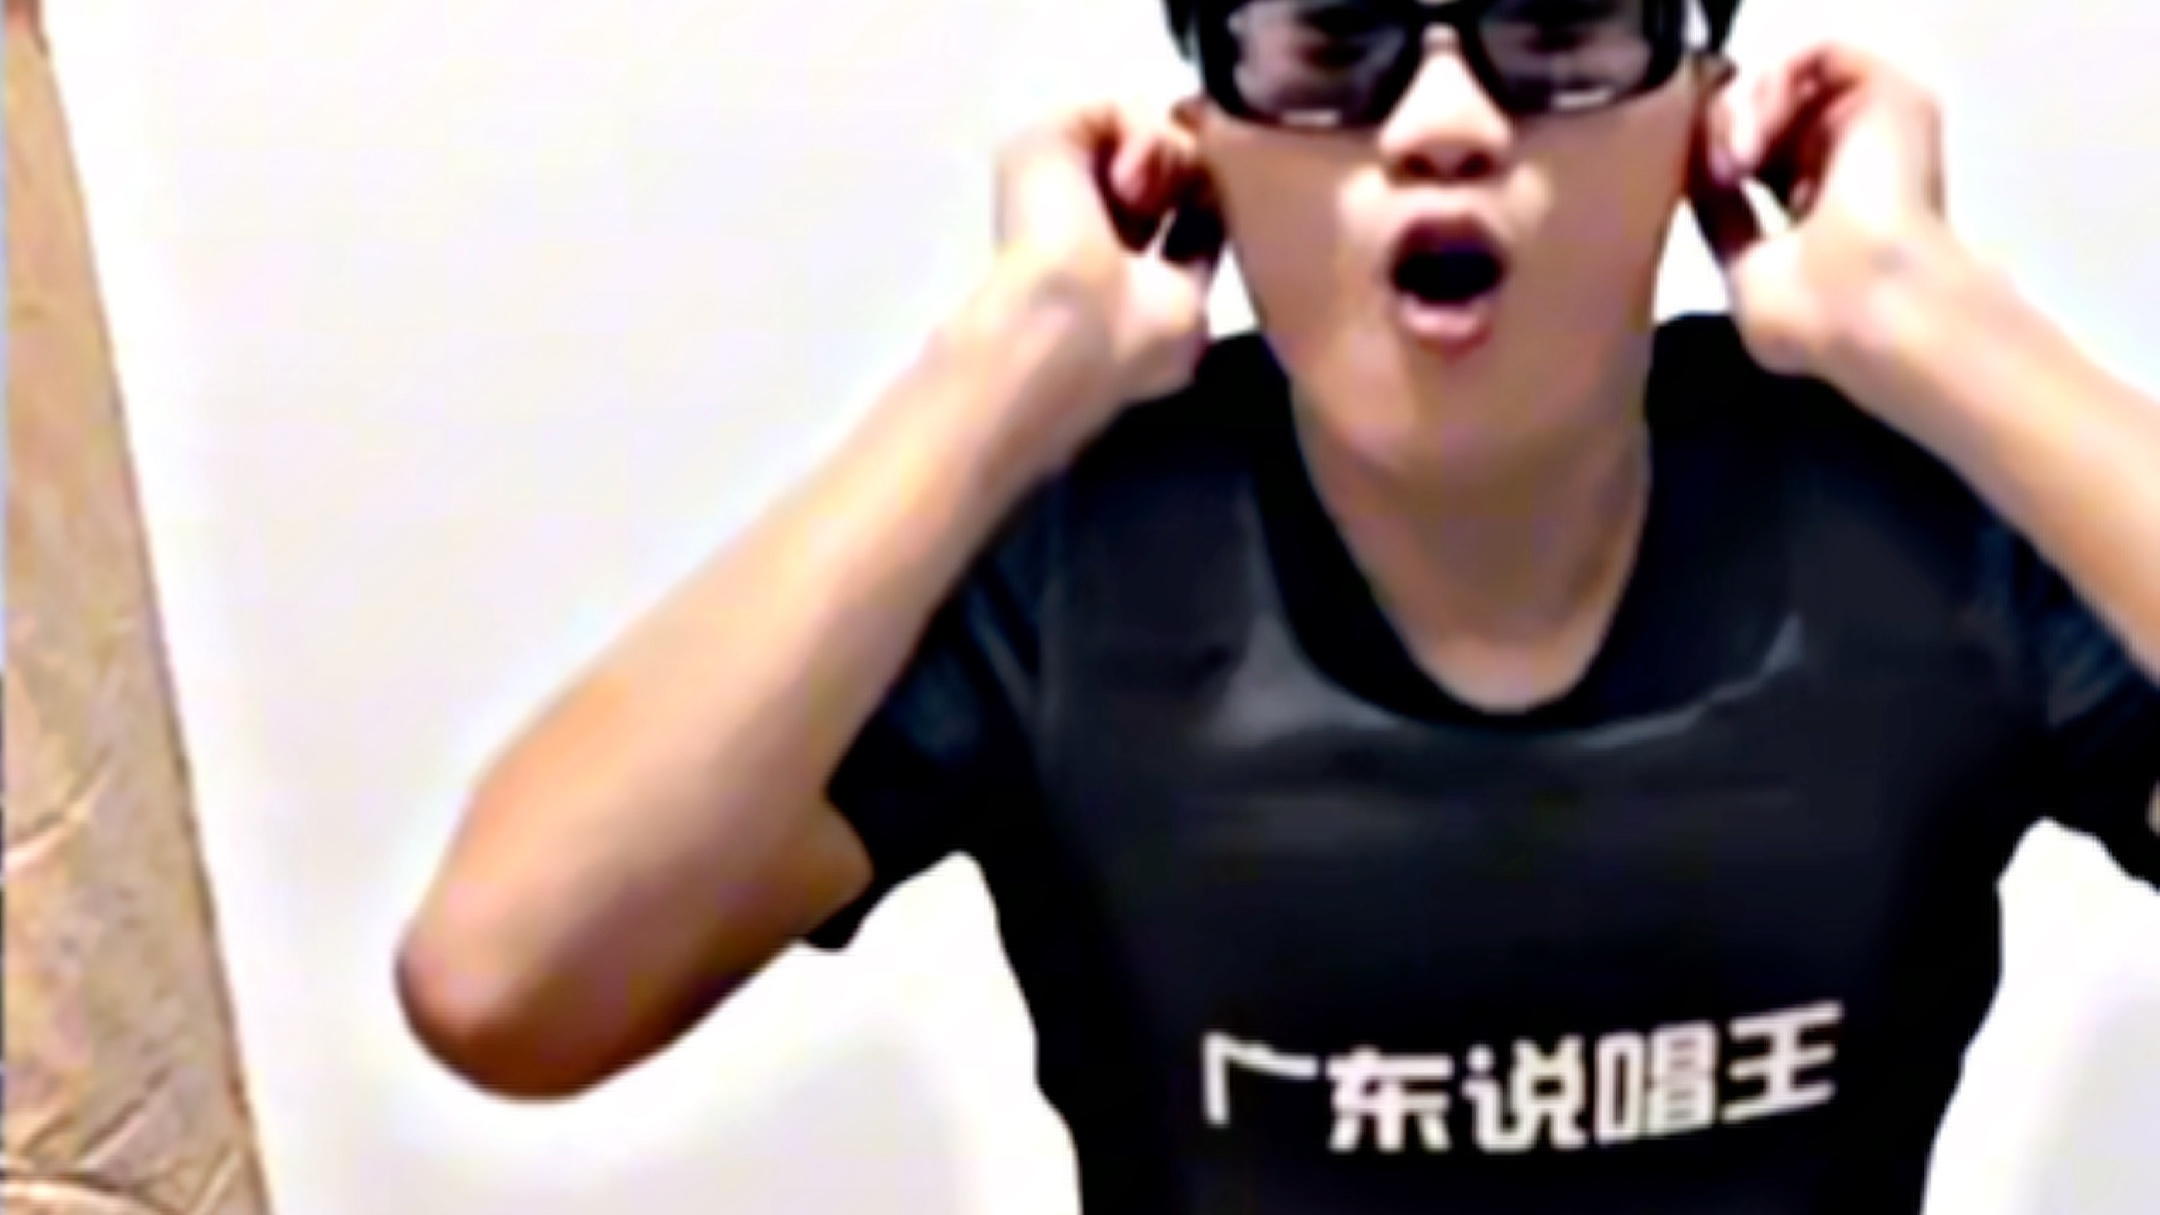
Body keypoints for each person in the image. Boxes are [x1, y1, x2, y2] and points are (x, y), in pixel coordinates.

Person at [394, 0, 2160, 1210]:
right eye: (1329, 42)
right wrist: (991, 378)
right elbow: (506, 979)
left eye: (1558, 30)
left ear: (1707, 111)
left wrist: (1939, 323)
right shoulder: (1070, 559)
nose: (1447, 122)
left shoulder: (1925, 526)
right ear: (1209, 141)